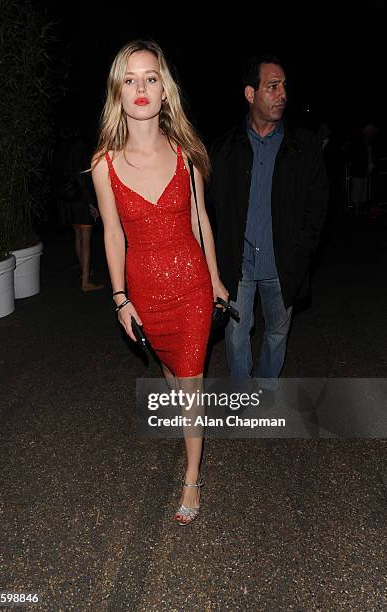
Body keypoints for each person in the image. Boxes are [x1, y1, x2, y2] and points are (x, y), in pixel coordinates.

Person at [90, 40, 228, 525]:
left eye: (150, 78)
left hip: (190, 285)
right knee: (170, 370)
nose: (141, 88)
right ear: (118, 93)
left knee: (190, 384)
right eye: (130, 80)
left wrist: (215, 281)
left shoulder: (187, 155)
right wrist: (119, 298)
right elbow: (111, 234)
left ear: (164, 90)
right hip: (145, 292)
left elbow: (201, 223)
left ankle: (192, 477)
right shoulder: (103, 165)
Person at [208, 55, 328, 396]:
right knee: (235, 333)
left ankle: (266, 388)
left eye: (284, 86)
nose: (282, 94)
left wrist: (302, 250)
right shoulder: (225, 149)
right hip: (239, 265)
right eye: (272, 86)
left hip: (284, 264)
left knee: (277, 331)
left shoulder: (303, 147)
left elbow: (318, 204)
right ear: (250, 93)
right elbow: (209, 207)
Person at [54, 126, 104, 291]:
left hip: (67, 198)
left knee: (78, 236)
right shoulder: (79, 147)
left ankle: (84, 273)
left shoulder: (61, 147)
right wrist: (91, 203)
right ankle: (86, 282)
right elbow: (81, 176)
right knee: (86, 239)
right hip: (80, 199)